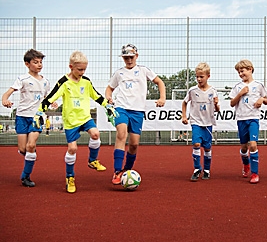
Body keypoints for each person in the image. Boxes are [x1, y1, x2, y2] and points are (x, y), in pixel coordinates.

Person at [35, 51, 117, 193]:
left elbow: (96, 95)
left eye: (84, 69)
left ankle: (92, 161)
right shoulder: (63, 82)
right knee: (72, 149)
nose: (82, 72)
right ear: (71, 67)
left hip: (85, 117)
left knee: (95, 134)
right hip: (71, 121)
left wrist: (107, 105)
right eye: (79, 69)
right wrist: (40, 110)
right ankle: (70, 178)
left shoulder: (86, 81)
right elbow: (50, 97)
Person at [105, 44, 166, 185]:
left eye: (131, 57)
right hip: (121, 108)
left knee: (134, 144)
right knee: (121, 134)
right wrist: (109, 97)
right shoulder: (119, 73)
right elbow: (109, 88)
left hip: (138, 111)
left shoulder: (143, 70)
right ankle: (117, 171)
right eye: (126, 57)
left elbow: (159, 82)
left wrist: (162, 98)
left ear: (136, 56)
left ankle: (127, 171)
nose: (129, 60)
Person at [1, 49, 54, 187]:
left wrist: (53, 102)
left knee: (31, 145)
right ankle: (30, 154)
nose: (39, 65)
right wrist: (5, 99)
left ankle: (26, 176)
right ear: (27, 64)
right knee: (23, 149)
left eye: (41, 62)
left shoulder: (45, 81)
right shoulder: (22, 79)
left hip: (37, 117)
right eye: (35, 62)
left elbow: (48, 97)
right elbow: (8, 92)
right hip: (22, 117)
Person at [229, 59, 267, 184]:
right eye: (239, 72)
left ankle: (254, 173)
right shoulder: (237, 87)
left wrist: (261, 99)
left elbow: (266, 99)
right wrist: (240, 94)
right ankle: (246, 165)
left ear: (250, 69)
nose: (241, 74)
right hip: (241, 119)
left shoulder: (258, 85)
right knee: (244, 147)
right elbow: (231, 103)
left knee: (253, 145)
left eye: (243, 71)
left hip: (253, 118)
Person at [181, 62, 220, 181]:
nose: (198, 79)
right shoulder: (192, 90)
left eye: (201, 76)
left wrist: (216, 104)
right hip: (196, 121)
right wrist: (184, 116)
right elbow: (184, 102)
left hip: (208, 123)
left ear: (208, 76)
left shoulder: (213, 91)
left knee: (207, 148)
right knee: (196, 144)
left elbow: (217, 110)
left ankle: (207, 170)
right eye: (197, 76)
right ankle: (197, 169)